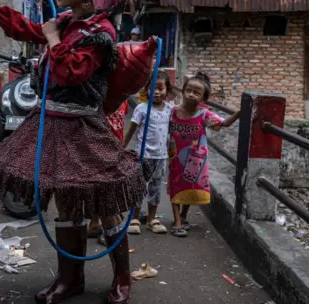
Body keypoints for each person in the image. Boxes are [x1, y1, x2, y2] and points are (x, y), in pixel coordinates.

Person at [0, 0, 147, 304]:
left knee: (103, 199)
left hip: (83, 126)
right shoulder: (65, 21)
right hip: (51, 123)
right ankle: (70, 279)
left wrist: (51, 38)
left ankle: (122, 278)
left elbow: (72, 71)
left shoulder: (102, 32)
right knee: (66, 204)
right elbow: (28, 29)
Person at [168, 72, 240, 237]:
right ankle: (177, 221)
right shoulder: (172, 112)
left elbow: (224, 124)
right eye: (189, 90)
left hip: (195, 158)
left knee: (191, 185)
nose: (191, 94)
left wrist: (240, 111)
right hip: (175, 157)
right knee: (175, 186)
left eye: (197, 92)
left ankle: (184, 216)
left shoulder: (204, 115)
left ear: (203, 98)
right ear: (183, 90)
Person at [122, 71, 172, 235]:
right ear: (146, 90)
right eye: (152, 88)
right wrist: (121, 149)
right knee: (139, 187)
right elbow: (131, 130)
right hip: (143, 156)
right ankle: (134, 218)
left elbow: (171, 131)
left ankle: (152, 219)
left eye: (160, 88)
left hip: (161, 157)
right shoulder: (142, 108)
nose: (156, 92)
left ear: (167, 90)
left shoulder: (169, 110)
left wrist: (172, 148)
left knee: (156, 189)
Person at [88, 99, 130, 246]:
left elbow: (122, 122)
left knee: (106, 187)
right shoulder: (100, 100)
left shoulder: (123, 102)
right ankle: (106, 228)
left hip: (115, 149)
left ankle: (94, 224)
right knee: (103, 188)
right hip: (101, 149)